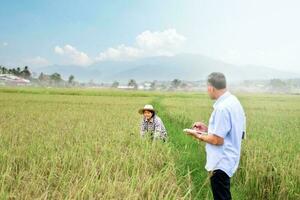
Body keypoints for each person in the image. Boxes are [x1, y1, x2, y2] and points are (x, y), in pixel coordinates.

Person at [185, 72, 246, 200]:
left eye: (207, 87)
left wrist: (197, 135)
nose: (207, 91)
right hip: (230, 158)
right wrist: (207, 129)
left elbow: (217, 140)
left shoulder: (222, 108)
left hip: (220, 162)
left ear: (211, 87)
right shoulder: (234, 102)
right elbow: (231, 131)